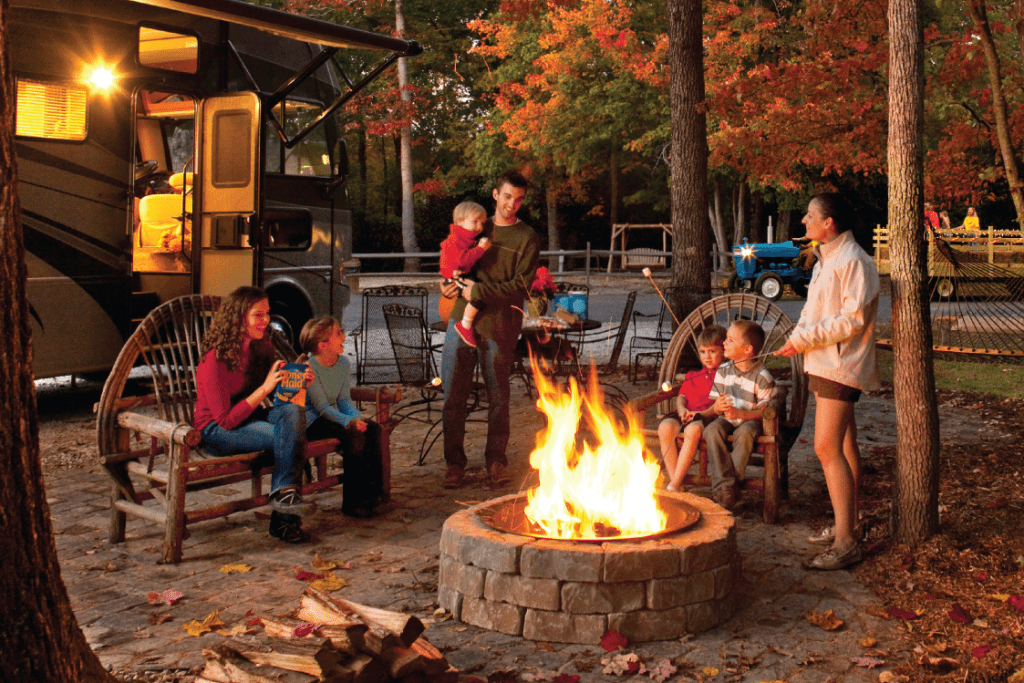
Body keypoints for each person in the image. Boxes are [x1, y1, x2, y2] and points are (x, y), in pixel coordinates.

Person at [775, 192, 880, 571]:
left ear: (829, 223)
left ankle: (846, 542)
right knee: (846, 445)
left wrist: (804, 338)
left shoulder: (853, 261)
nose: (804, 221)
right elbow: (814, 310)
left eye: (809, 216)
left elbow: (851, 321)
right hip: (823, 362)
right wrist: (795, 337)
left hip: (842, 365)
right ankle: (844, 526)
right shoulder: (826, 258)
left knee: (825, 448)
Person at [439, 170, 540, 489]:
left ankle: (496, 461)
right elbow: (452, 259)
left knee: (499, 396)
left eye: (519, 199)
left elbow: (521, 286)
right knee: (453, 396)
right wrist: (445, 286)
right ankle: (454, 464)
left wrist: (479, 292)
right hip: (460, 321)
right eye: (508, 196)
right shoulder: (475, 224)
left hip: (501, 326)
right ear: (496, 195)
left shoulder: (527, 237)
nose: (513, 204)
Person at [193, 286, 315, 544]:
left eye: (267, 314)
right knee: (288, 435)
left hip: (249, 419)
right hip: (215, 431)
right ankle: (285, 520)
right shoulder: (214, 360)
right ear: (238, 318)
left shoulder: (260, 348)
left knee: (291, 411)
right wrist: (266, 387)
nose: (266, 321)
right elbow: (225, 419)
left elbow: (277, 394)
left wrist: (299, 379)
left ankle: (283, 500)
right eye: (258, 315)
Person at [298, 316, 390, 519]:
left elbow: (345, 400)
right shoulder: (310, 368)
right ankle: (353, 502)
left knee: (373, 429)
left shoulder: (343, 364)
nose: (344, 337)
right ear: (323, 346)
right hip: (312, 421)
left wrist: (358, 418)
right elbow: (322, 407)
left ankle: (375, 495)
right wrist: (349, 422)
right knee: (353, 435)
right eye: (338, 334)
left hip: (332, 416)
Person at [703, 320, 776, 510]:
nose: (723, 343)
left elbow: (764, 412)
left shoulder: (762, 377)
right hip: (727, 418)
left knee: (744, 433)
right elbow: (716, 406)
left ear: (747, 350)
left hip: (750, 420)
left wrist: (742, 413)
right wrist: (718, 407)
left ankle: (727, 488)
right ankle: (727, 487)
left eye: (730, 340)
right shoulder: (723, 370)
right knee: (712, 430)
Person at [657, 325, 727, 492]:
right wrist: (682, 411)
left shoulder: (726, 376)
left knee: (692, 430)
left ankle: (674, 484)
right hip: (685, 414)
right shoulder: (693, 375)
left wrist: (698, 414)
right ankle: (678, 483)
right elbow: (681, 398)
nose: (707, 357)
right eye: (703, 352)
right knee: (665, 427)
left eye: (712, 351)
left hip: (706, 417)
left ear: (724, 350)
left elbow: (718, 409)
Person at [439, 201, 491, 348]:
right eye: (475, 222)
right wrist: (480, 249)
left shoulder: (465, 237)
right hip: (455, 279)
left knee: (479, 293)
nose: (479, 227)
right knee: (478, 295)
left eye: (482, 223)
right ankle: (465, 326)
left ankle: (467, 324)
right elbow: (461, 260)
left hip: (460, 276)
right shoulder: (456, 239)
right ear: (460, 221)